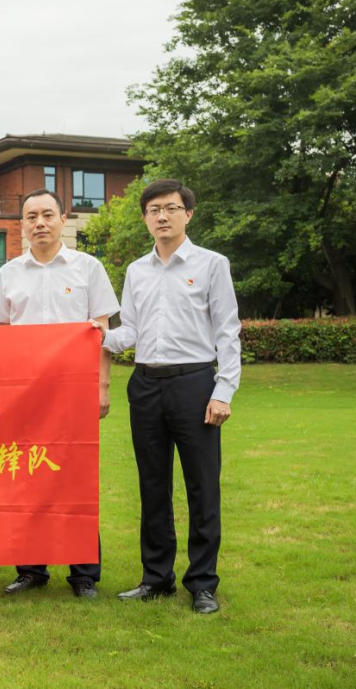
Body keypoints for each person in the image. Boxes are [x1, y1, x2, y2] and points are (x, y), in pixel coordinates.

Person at [101, 178, 241, 615]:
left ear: (188, 214)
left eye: (171, 208)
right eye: (154, 210)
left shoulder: (212, 264)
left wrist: (223, 391)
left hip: (195, 385)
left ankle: (202, 584)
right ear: (145, 218)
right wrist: (92, 333)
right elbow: (130, 332)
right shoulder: (137, 271)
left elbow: (228, 331)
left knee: (202, 487)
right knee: (152, 486)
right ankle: (156, 578)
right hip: (145, 385)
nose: (162, 216)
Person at [0, 188, 119, 598]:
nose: (40, 223)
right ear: (22, 225)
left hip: (74, 391)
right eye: (31, 217)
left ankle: (84, 574)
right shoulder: (10, 272)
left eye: (48, 215)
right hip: (25, 396)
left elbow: (101, 332)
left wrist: (101, 386)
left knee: (76, 479)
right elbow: (2, 337)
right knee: (26, 478)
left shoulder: (88, 268)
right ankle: (31, 569)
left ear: (64, 219)